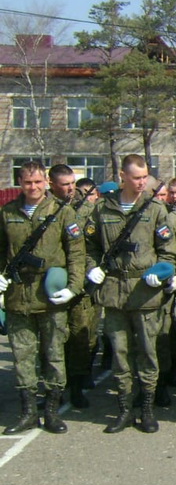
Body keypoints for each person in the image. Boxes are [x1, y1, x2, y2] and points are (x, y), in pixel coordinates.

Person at [85, 154, 176, 433]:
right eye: (136, 177)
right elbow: (89, 247)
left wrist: (160, 273)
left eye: (144, 177)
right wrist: (92, 269)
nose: (141, 182)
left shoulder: (156, 210)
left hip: (144, 292)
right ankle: (124, 409)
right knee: (120, 354)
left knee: (148, 352)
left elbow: (169, 252)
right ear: (123, 176)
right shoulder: (102, 210)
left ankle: (146, 408)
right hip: (114, 290)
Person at [0, 161, 85, 435]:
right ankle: (27, 413)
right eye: (27, 182)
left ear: (46, 182)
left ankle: (51, 412)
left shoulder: (62, 212)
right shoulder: (8, 212)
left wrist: (73, 287)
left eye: (37, 182)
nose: (33, 187)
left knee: (53, 354)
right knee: (23, 357)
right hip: (18, 296)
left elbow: (76, 253)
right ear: (20, 183)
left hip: (50, 296)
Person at [49, 164, 98, 409]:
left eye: (72, 183)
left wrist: (91, 271)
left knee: (80, 336)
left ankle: (77, 387)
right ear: (52, 184)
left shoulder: (88, 209)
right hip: (52, 282)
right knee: (52, 339)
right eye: (65, 184)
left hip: (81, 284)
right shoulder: (45, 208)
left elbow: (93, 245)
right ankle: (52, 390)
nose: (70, 189)